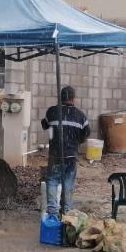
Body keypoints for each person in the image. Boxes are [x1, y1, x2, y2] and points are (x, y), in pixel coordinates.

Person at [41, 85, 90, 216]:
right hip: (71, 155)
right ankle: (67, 212)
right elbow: (85, 134)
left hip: (55, 155)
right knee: (68, 182)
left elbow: (44, 125)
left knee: (52, 180)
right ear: (74, 99)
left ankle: (52, 212)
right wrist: (76, 142)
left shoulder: (52, 112)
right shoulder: (81, 116)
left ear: (60, 98)